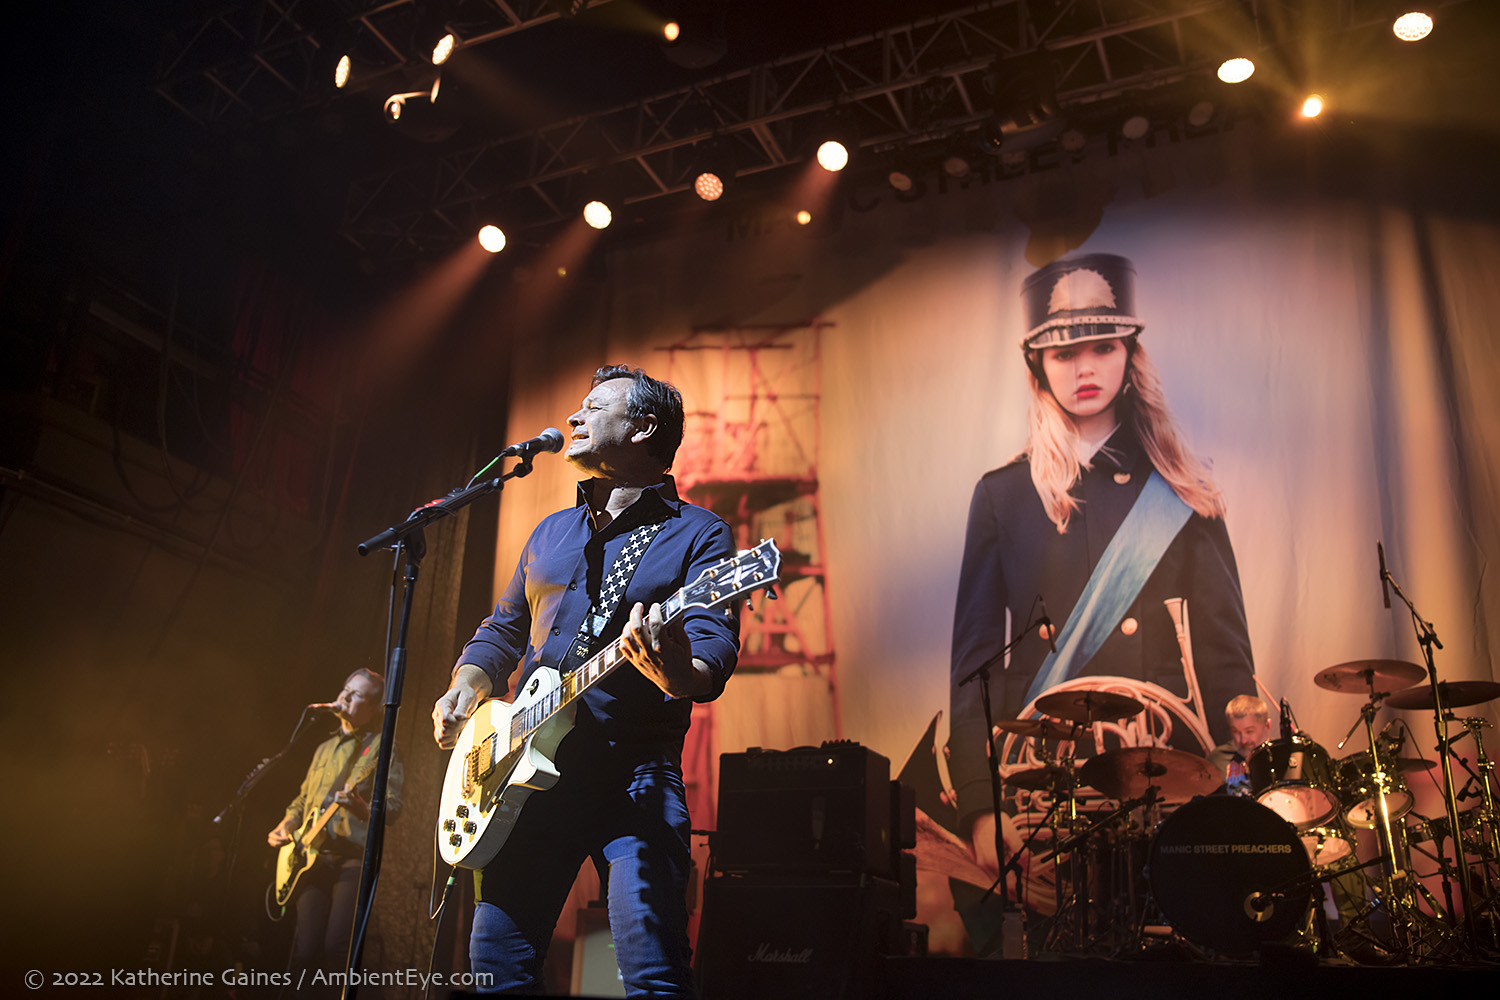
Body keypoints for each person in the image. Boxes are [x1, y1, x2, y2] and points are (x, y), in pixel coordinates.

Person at [949, 253, 1258, 908]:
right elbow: (975, 665)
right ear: (1037, 364)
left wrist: (1235, 780)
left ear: (1129, 353)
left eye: (1102, 345)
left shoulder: (1182, 491)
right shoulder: (1002, 496)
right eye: (1064, 353)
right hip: (1042, 791)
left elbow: (1226, 659)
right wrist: (981, 807)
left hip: (1164, 776)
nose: (1085, 367)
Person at [432, 365, 740, 997]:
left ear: (643, 429)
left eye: (594, 407)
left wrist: (673, 666)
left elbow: (708, 660)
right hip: (524, 771)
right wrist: (466, 683)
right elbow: (503, 629)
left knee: (652, 973)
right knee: (496, 969)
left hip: (634, 774)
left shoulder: (699, 533)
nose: (573, 417)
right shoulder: (551, 531)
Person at [267, 668, 403, 982]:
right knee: (304, 951)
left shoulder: (382, 746)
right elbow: (303, 801)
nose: (344, 697)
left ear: (371, 709)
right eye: (345, 689)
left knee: (336, 949)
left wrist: (363, 809)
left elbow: (393, 806)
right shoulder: (323, 750)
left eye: (355, 695)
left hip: (351, 859)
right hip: (308, 857)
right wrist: (287, 823)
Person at [1207, 693, 1275, 796]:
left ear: (1267, 726)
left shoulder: (1280, 755)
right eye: (1236, 732)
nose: (1243, 740)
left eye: (1249, 731)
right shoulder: (1218, 759)